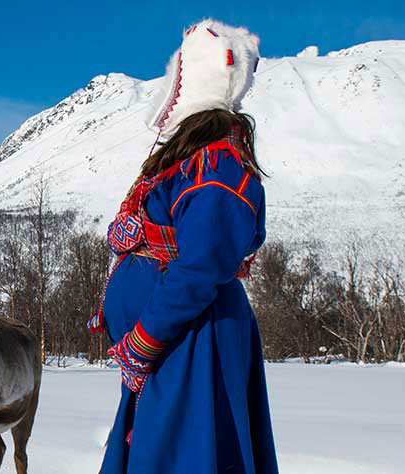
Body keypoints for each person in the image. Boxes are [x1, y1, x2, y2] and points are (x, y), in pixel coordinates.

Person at [87, 19, 281, 474]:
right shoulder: (194, 158)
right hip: (179, 341)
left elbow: (200, 268)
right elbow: (181, 238)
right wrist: (139, 231)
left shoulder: (218, 164)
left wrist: (143, 341)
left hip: (193, 338)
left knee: (184, 456)